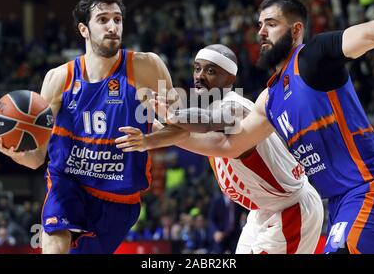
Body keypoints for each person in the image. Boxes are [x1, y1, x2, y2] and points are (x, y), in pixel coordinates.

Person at [150, 0, 374, 254]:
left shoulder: (314, 57)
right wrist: (165, 134)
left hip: (370, 186)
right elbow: (228, 144)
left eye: (271, 24)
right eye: (260, 25)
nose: (262, 32)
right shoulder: (270, 98)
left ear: (296, 29)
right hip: (339, 199)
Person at [0, 0, 182, 254]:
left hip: (120, 197)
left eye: (117, 19)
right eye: (103, 19)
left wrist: (149, 140)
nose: (112, 26)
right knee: (55, 231)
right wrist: (13, 153)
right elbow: (36, 158)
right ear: (84, 29)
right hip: (69, 181)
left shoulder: (147, 67)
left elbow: (180, 130)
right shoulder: (59, 78)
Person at [116, 44, 324, 254]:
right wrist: (149, 132)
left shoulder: (237, 106)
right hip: (263, 211)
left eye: (210, 71)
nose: (199, 76)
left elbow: (207, 122)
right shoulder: (202, 112)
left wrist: (170, 115)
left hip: (292, 209)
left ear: (230, 79)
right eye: (197, 68)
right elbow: (191, 136)